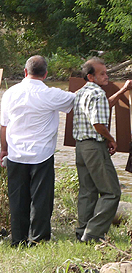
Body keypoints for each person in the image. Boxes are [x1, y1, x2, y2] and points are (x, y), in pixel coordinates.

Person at [0, 55, 76, 247]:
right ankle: (38, 239)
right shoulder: (51, 94)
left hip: (16, 153)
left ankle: (18, 239)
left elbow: (3, 126)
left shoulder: (10, 93)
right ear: (46, 74)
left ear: (25, 72)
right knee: (41, 199)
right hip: (42, 154)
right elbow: (78, 99)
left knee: (17, 199)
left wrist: (3, 150)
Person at [73, 58, 132, 242]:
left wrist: (122, 90)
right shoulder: (97, 93)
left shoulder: (81, 92)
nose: (107, 76)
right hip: (94, 146)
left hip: (81, 147)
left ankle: (81, 231)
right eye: (102, 74)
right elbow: (98, 123)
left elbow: (105, 105)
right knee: (112, 192)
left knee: (87, 191)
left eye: (106, 73)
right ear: (90, 76)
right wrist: (111, 138)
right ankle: (93, 234)